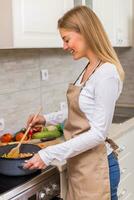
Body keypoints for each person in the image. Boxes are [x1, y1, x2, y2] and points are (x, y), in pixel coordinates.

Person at [24, 6, 125, 200]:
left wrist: (48, 154)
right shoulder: (89, 68)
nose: (64, 46)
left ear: (85, 32)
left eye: (66, 39)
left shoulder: (107, 74)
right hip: (81, 166)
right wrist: (46, 119)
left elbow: (98, 133)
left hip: (97, 168)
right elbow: (78, 110)